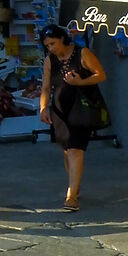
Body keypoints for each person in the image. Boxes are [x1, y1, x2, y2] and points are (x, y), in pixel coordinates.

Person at [39, 23, 108, 212]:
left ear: (62, 39)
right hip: (60, 110)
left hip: (81, 108)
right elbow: (46, 87)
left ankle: (71, 195)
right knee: (66, 150)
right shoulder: (50, 61)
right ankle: (75, 186)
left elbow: (101, 75)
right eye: (47, 45)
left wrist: (80, 81)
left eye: (53, 43)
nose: (51, 48)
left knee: (75, 150)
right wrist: (43, 107)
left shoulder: (82, 53)